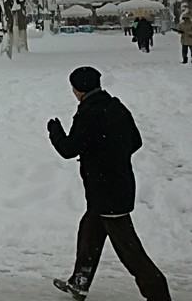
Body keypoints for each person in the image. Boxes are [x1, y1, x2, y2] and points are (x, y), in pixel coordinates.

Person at [47, 66, 170, 301]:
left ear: (77, 89)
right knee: (89, 232)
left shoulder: (89, 113)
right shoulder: (115, 107)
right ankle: (79, 282)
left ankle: (158, 293)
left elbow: (68, 149)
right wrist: (113, 156)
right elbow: (135, 141)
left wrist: (55, 131)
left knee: (129, 249)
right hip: (115, 184)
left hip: (107, 191)